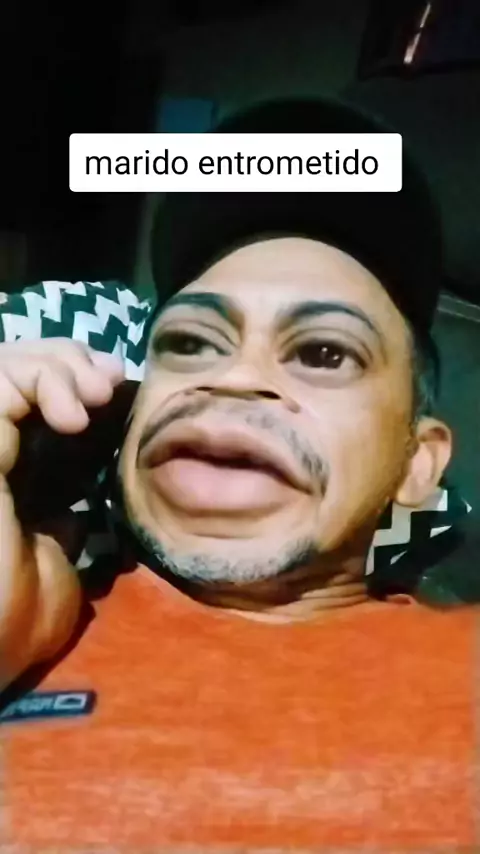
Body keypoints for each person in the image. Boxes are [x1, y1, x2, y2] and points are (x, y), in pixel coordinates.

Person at [0, 98, 475, 849]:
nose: (233, 377)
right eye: (190, 342)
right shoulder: (27, 623)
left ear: (418, 463)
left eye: (323, 352)